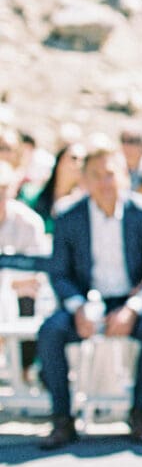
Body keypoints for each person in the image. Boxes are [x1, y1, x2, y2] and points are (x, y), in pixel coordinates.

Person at [37, 143, 142, 449]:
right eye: (96, 175)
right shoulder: (69, 216)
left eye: (110, 174)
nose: (104, 183)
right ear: (84, 180)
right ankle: (62, 419)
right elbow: (58, 272)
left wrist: (134, 308)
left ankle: (138, 412)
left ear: (123, 175)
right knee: (49, 332)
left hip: (130, 301)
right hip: (86, 301)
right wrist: (78, 307)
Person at [0, 160, 49, 383]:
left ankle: (24, 372)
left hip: (23, 300)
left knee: (25, 299)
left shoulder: (29, 222)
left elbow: (36, 276)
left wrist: (9, 284)